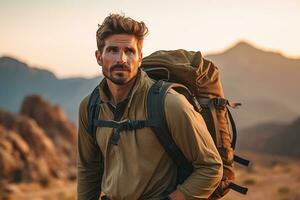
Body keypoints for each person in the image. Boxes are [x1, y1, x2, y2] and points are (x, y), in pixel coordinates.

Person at [77, 14, 223, 200]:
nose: (121, 59)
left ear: (140, 58)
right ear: (99, 57)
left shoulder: (169, 103)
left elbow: (211, 167)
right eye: (112, 50)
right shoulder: (90, 107)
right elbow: (88, 169)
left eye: (129, 51)